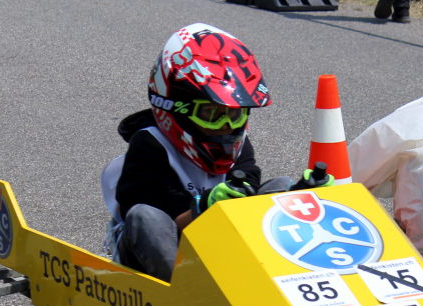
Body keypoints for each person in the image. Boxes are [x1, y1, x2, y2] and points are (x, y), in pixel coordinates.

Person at [101, 23, 333, 281]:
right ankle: (188, 299)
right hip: (152, 261)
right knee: (145, 217)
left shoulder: (237, 145)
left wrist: (300, 195)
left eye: (234, 115)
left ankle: (285, 284)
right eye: (212, 114)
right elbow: (161, 226)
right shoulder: (150, 145)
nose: (226, 126)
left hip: (216, 252)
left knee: (281, 187)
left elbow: (251, 203)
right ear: (177, 108)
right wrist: (205, 207)